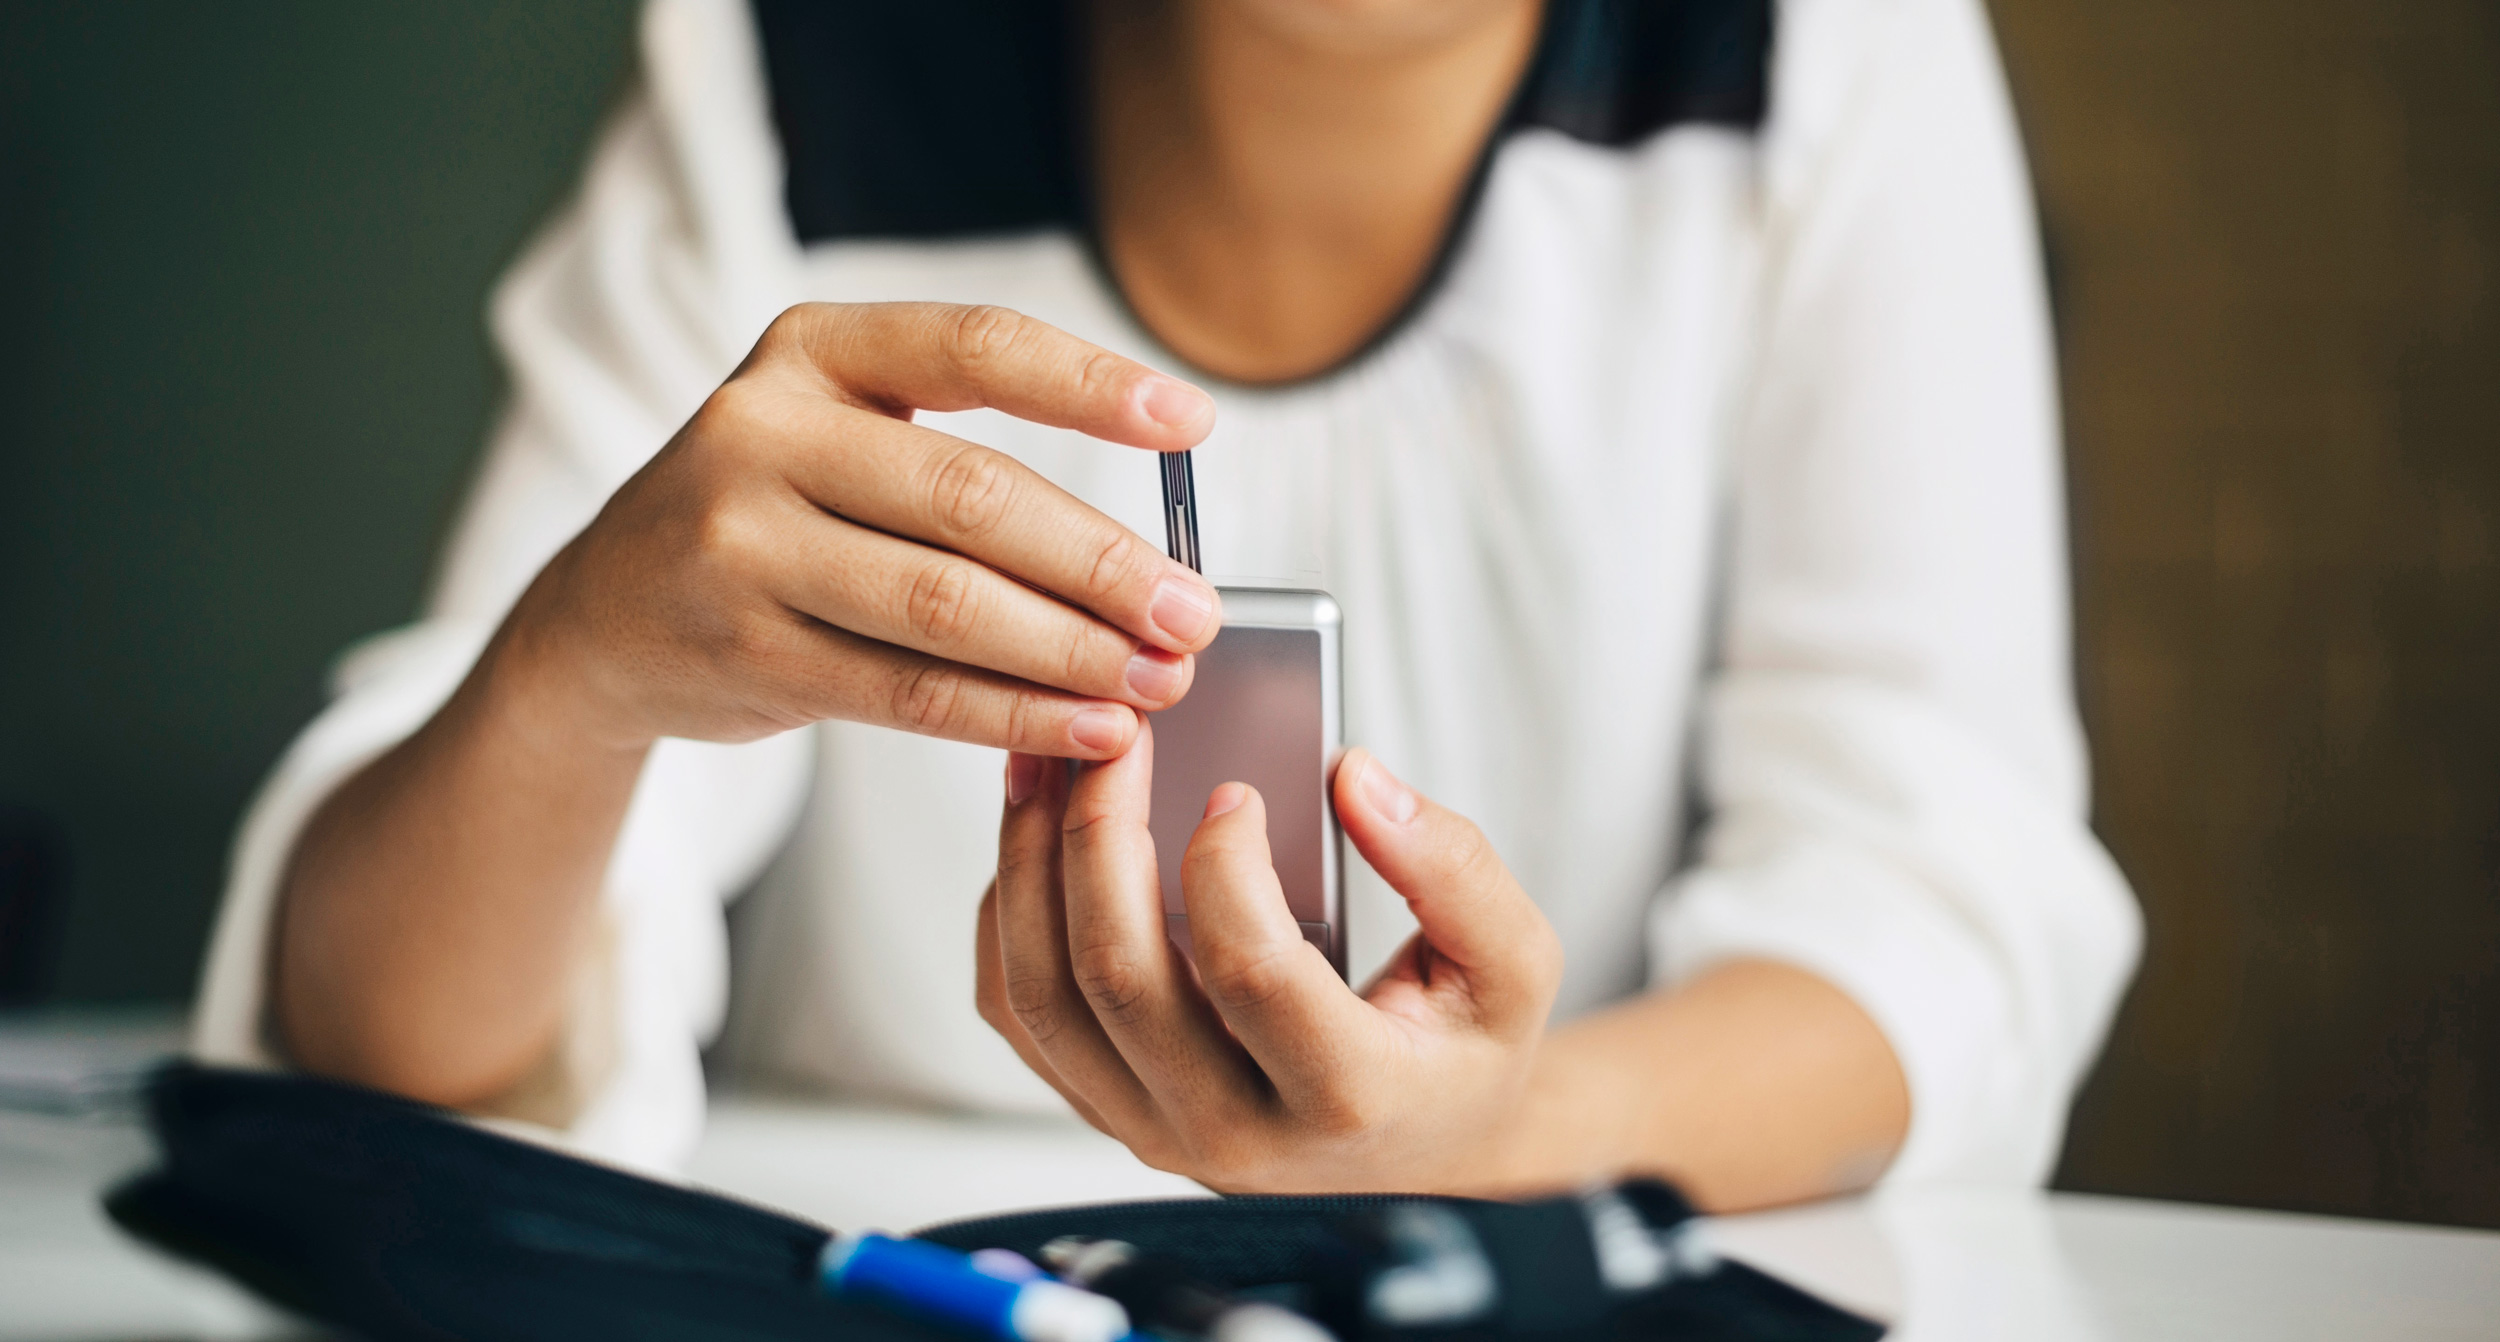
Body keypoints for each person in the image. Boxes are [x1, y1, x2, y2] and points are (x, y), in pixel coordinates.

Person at [193, 0, 2140, 1210]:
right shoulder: (793, 54)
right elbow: (390, 1046)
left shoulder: (1826, 42)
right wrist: (567, 680)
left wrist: (1480, 1135)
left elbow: (1930, 906)